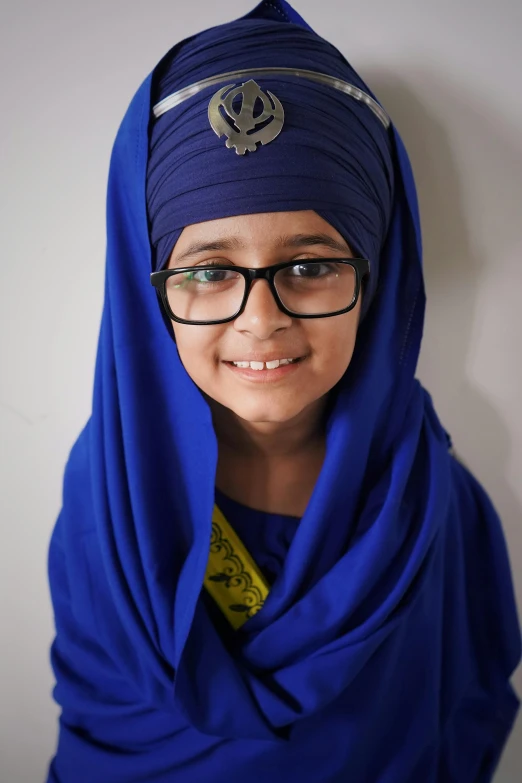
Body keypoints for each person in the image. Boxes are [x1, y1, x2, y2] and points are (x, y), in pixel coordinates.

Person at [46, 1, 521, 781]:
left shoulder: (435, 507)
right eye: (206, 272)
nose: (260, 321)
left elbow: (462, 719)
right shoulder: (114, 499)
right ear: (146, 289)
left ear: (380, 276)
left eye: (309, 266)